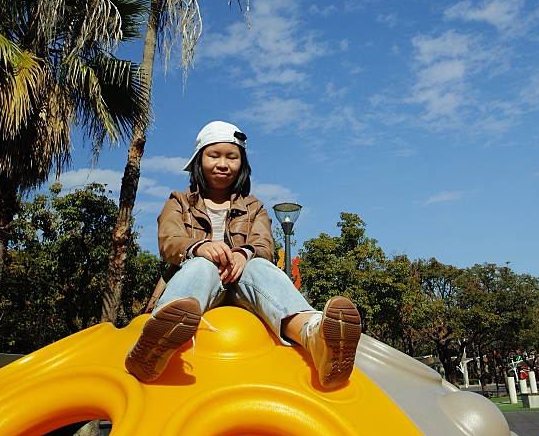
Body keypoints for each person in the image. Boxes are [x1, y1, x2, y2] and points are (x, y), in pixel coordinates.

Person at [125, 121, 362, 390]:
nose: (223, 164)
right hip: (198, 290)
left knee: (259, 266)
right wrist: (200, 248)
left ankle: (315, 336)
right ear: (198, 160)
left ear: (242, 164)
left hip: (241, 291)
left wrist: (244, 253)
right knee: (201, 266)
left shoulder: (253, 207)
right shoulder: (179, 201)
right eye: (214, 155)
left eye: (232, 157)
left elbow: (264, 243)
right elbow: (169, 241)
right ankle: (159, 339)